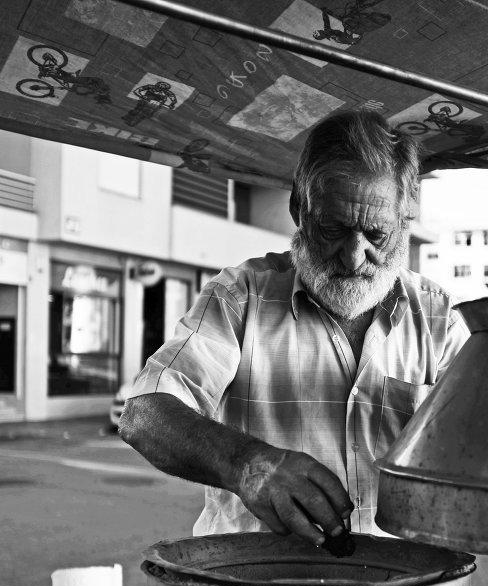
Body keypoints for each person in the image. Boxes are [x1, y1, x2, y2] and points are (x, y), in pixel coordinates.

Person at [119, 110, 469, 547]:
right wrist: (246, 464)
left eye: (375, 234)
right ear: (298, 210)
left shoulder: (437, 319)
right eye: (333, 228)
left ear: (406, 218)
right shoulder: (241, 296)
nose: (353, 257)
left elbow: (486, 449)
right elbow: (144, 415)